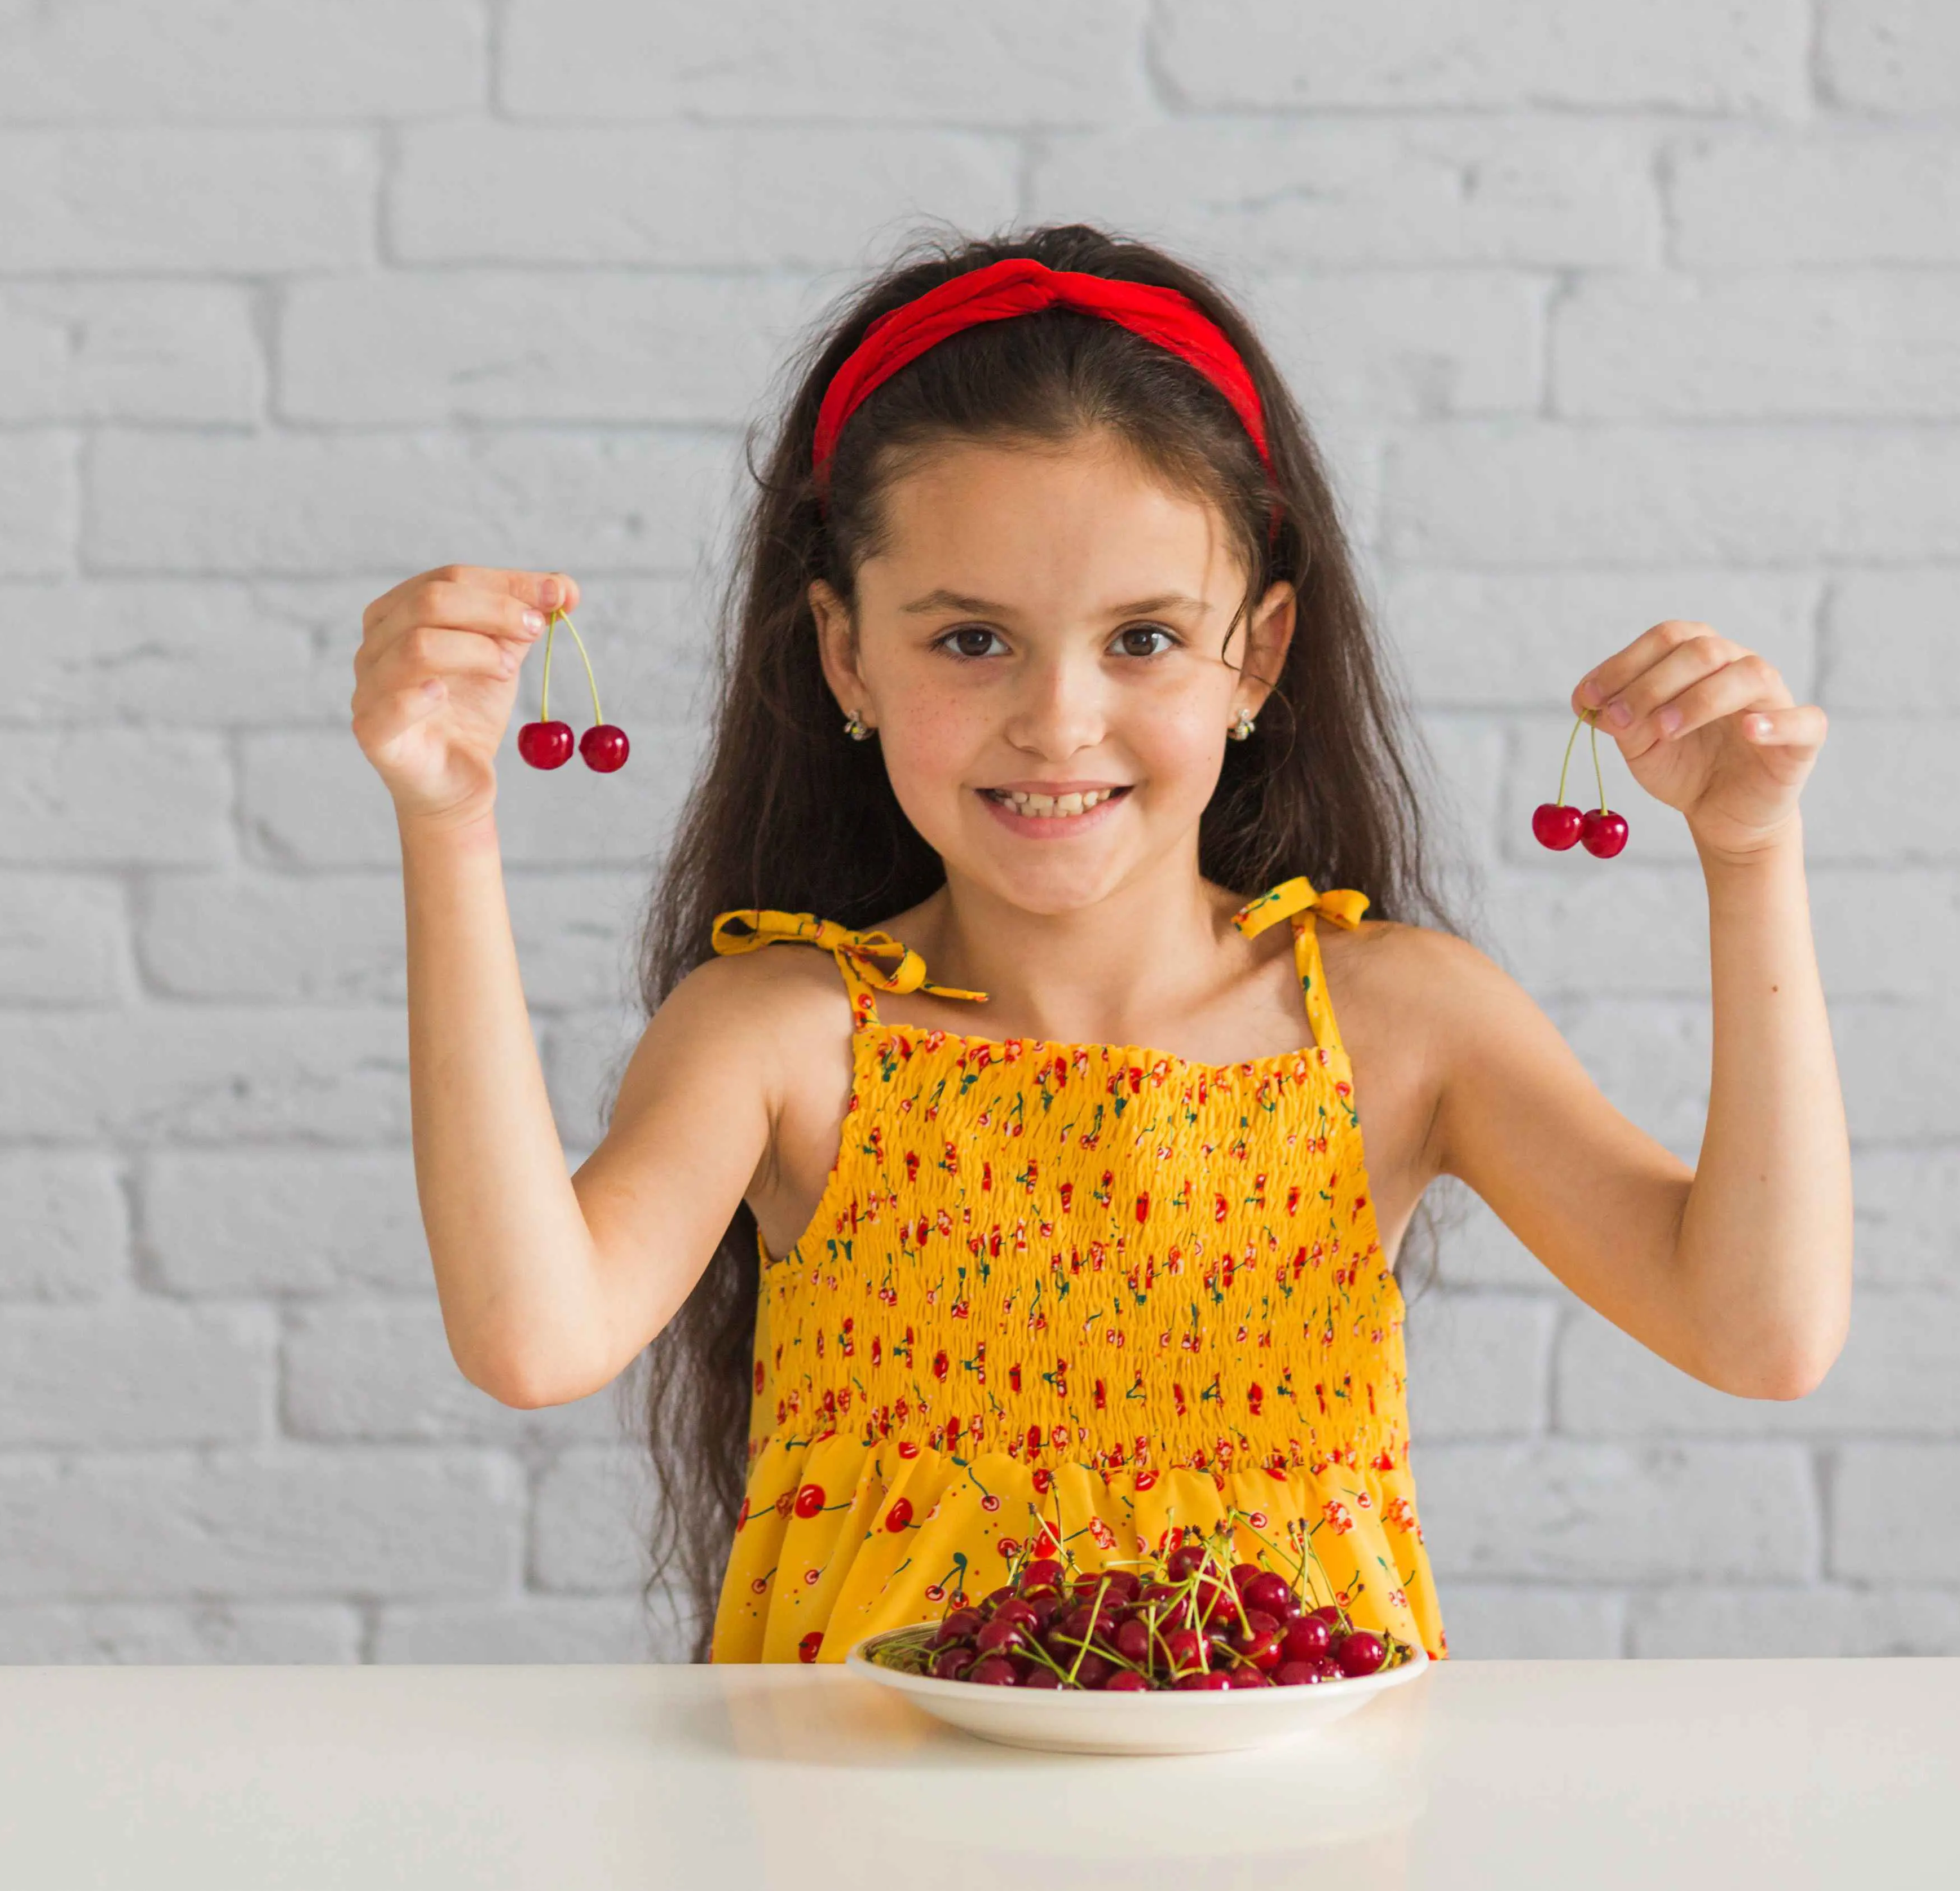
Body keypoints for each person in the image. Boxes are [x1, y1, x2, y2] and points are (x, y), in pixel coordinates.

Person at [347, 223, 1849, 1667]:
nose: (1059, 720)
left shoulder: (1398, 1026)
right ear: (844, 652)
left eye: (1141, 638)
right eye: (970, 638)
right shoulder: (782, 1038)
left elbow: (1759, 1334)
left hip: (1290, 1838)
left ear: (1253, 654)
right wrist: (449, 826)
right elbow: (534, 1341)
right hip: (857, 1835)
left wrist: (1748, 855)